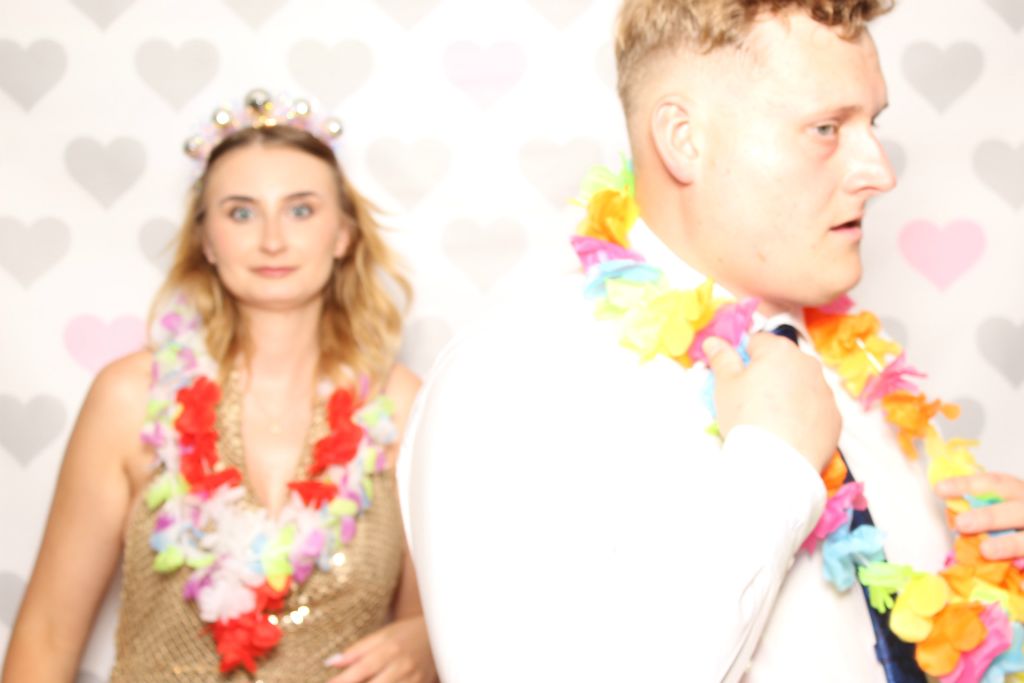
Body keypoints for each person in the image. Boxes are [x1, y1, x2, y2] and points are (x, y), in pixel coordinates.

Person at [400, 2, 1024, 682]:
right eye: (826, 128)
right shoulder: (509, 381)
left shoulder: (866, 370)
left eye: (872, 124)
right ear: (683, 139)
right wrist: (774, 469)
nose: (880, 170)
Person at [3, 90, 437, 683]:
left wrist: (428, 640)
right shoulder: (131, 398)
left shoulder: (399, 405)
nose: (272, 239)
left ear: (344, 234)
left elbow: (424, 623)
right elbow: (48, 635)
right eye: (240, 213)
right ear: (206, 240)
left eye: (301, 210)